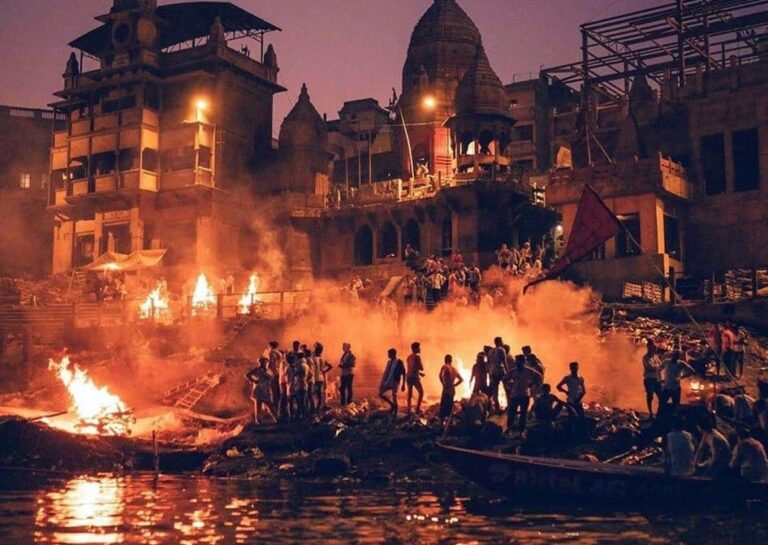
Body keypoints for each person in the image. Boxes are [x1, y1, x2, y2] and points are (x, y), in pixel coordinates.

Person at [504, 354, 543, 434]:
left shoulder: (528, 371)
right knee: (511, 413)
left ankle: (521, 431)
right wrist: (509, 386)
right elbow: (505, 379)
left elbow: (539, 377)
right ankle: (509, 429)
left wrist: (532, 385)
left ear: (523, 362)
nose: (518, 363)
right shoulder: (513, 371)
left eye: (519, 361)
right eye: (517, 361)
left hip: (524, 395)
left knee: (523, 414)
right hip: (514, 395)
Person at [694, 414, 732, 479]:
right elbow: (700, 449)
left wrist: (708, 471)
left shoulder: (714, 438)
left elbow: (716, 457)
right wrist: (695, 463)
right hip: (714, 460)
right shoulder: (706, 434)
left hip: (722, 464)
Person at [245, 358, 276, 425]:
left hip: (266, 390)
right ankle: (258, 421)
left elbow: (272, 377)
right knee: (258, 407)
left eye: (264, 362)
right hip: (258, 390)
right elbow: (247, 374)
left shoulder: (268, 370)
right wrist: (253, 380)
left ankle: (276, 418)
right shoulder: (256, 370)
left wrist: (267, 375)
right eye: (261, 362)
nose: (263, 364)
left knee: (270, 405)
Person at [379, 348, 406, 419]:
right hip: (388, 381)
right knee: (381, 394)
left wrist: (403, 384)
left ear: (393, 354)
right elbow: (386, 373)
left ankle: (395, 412)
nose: (388, 355)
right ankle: (392, 405)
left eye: (389, 354)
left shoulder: (399, 362)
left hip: (395, 381)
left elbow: (404, 373)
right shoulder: (389, 362)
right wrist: (383, 381)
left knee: (394, 395)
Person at [439, 354, 463, 428]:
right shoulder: (454, 369)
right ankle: (449, 424)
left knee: (443, 407)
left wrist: (443, 383)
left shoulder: (445, 366)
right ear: (451, 360)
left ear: (445, 360)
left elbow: (440, 375)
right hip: (452, 390)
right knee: (449, 406)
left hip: (446, 390)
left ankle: (441, 425)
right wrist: (454, 385)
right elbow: (461, 380)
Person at [642, 340, 663, 418]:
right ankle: (650, 413)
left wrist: (657, 366)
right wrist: (657, 366)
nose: (653, 350)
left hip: (657, 379)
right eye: (652, 348)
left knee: (661, 397)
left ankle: (659, 413)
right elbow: (651, 367)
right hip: (649, 379)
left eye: (654, 348)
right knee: (650, 396)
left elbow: (660, 366)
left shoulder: (656, 357)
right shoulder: (645, 357)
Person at [288, 352, 311, 421]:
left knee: (300, 402)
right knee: (303, 401)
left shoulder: (300, 365)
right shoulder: (306, 365)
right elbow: (311, 374)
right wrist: (306, 380)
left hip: (299, 385)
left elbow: (294, 375)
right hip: (304, 384)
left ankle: (301, 416)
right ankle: (303, 416)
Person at [488, 337, 507, 414]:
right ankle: (509, 406)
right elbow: (504, 361)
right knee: (507, 389)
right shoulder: (501, 350)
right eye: (502, 341)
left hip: (493, 372)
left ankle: (497, 408)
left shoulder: (491, 351)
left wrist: (489, 372)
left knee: (495, 391)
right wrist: (508, 372)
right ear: (499, 342)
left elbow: (489, 362)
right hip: (500, 371)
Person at [311, 342, 332, 411]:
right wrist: (324, 371)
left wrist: (324, 371)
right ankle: (318, 407)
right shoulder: (322, 357)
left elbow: (330, 366)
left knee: (315, 393)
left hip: (315, 378)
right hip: (320, 377)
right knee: (319, 393)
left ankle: (316, 407)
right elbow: (330, 366)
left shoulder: (313, 357)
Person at [406, 342, 426, 416]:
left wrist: (419, 373)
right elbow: (421, 367)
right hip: (414, 377)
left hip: (408, 376)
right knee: (421, 392)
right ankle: (417, 409)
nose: (420, 349)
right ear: (415, 348)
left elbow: (411, 368)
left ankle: (408, 411)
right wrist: (420, 371)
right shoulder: (417, 357)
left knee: (409, 394)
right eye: (419, 347)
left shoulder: (409, 357)